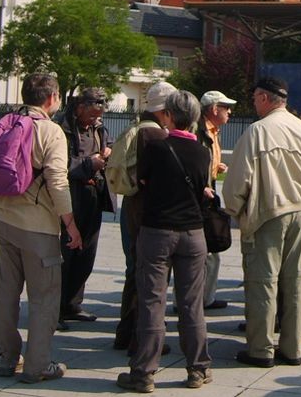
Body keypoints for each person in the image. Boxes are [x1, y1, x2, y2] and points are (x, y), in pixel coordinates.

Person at [223, 76, 301, 368]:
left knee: (263, 283)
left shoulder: (257, 132)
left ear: (265, 98)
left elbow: (238, 179)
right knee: (293, 283)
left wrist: (233, 209)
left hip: (268, 212)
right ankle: (292, 348)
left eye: (255, 98)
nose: (253, 102)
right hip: (300, 212)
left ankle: (261, 349)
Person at [118, 90, 213, 392]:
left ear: (169, 116)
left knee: (152, 301)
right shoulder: (202, 151)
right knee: (191, 303)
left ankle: (144, 372)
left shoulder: (157, 148)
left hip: (158, 230)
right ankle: (197, 368)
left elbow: (142, 181)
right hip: (193, 233)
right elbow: (202, 188)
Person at [0, 73, 82, 384]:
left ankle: (6, 356)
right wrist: (69, 222)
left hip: (3, 218)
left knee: (7, 290)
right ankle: (38, 364)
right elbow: (58, 180)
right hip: (38, 226)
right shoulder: (50, 131)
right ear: (51, 98)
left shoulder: (5, 123)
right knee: (44, 296)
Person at [113, 81, 177, 353]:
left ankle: (125, 332)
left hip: (131, 206)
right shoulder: (156, 137)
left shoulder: (135, 129)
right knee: (149, 275)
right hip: (148, 211)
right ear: (165, 110)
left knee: (134, 270)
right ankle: (142, 337)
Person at [57, 87, 114, 326]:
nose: (95, 118)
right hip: (70, 193)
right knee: (66, 252)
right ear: (79, 107)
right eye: (91, 114)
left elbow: (108, 146)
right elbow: (58, 164)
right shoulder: (62, 128)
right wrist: (89, 163)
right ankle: (56, 308)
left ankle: (72, 304)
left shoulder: (99, 127)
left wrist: (108, 153)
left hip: (94, 193)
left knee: (87, 253)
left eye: (98, 114)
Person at [198, 90, 236, 312]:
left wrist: (216, 167)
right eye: (226, 107)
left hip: (209, 190)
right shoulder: (201, 131)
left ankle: (205, 297)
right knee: (207, 251)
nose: (229, 112)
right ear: (214, 109)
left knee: (211, 251)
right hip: (202, 195)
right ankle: (200, 298)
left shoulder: (212, 131)